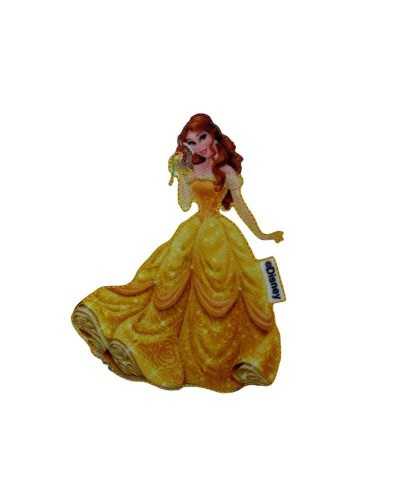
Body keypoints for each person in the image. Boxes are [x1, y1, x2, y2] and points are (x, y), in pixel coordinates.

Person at [71, 113, 284, 392]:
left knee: (233, 290)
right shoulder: (190, 170)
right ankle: (146, 340)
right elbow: (185, 205)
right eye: (191, 142)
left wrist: (263, 234)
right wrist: (182, 176)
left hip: (220, 238)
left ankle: (229, 358)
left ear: (214, 135)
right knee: (167, 283)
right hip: (191, 234)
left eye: (202, 138)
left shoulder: (227, 173)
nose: (198, 146)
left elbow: (241, 207)